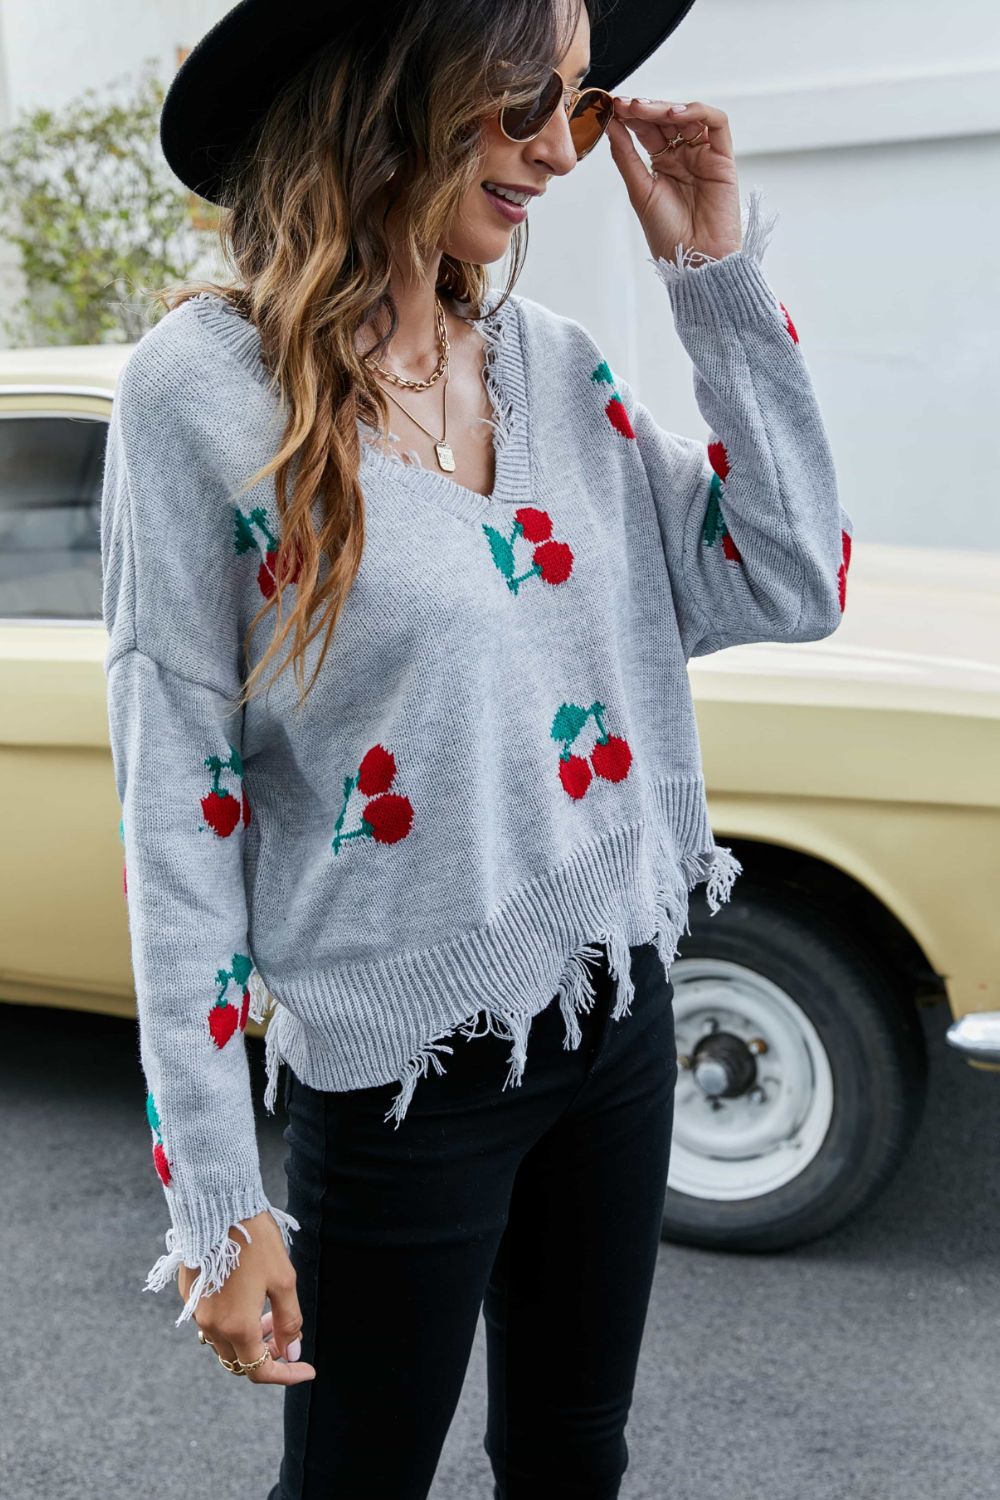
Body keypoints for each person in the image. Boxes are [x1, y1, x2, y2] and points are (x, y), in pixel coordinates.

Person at [100, 0, 853, 1494]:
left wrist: (712, 275)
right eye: (525, 103)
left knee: (573, 1454)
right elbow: (177, 804)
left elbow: (789, 576)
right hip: (402, 1071)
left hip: (616, 1005)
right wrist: (218, 1196)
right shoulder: (202, 391)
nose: (561, 151)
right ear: (393, 89)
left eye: (579, 104)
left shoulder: (554, 367)